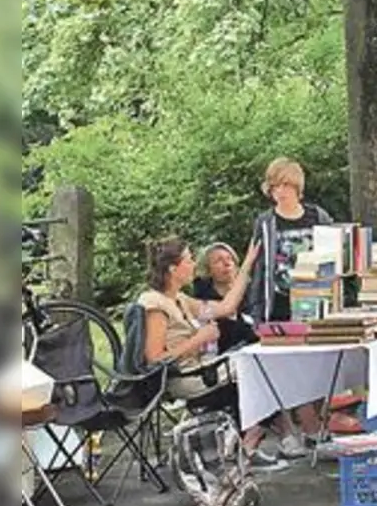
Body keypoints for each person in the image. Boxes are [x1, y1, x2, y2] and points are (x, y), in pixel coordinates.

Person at [139, 237, 286, 470]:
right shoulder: (155, 305)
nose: (194, 265)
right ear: (173, 268)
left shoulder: (181, 299)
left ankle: (244, 444)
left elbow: (226, 307)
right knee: (260, 371)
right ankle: (246, 446)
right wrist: (198, 339)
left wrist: (247, 264)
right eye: (189, 259)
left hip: (202, 368)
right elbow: (154, 359)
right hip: (184, 379)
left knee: (263, 364)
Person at [244, 158, 335, 325]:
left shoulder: (318, 216)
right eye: (275, 186)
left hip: (314, 297)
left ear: (297, 187)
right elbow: (258, 266)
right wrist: (257, 308)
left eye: (286, 185)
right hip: (278, 303)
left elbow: (332, 257)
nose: (280, 191)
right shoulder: (265, 222)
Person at [191, 243, 259, 352]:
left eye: (230, 259)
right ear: (208, 270)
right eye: (219, 260)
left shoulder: (253, 293)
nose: (227, 264)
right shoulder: (201, 301)